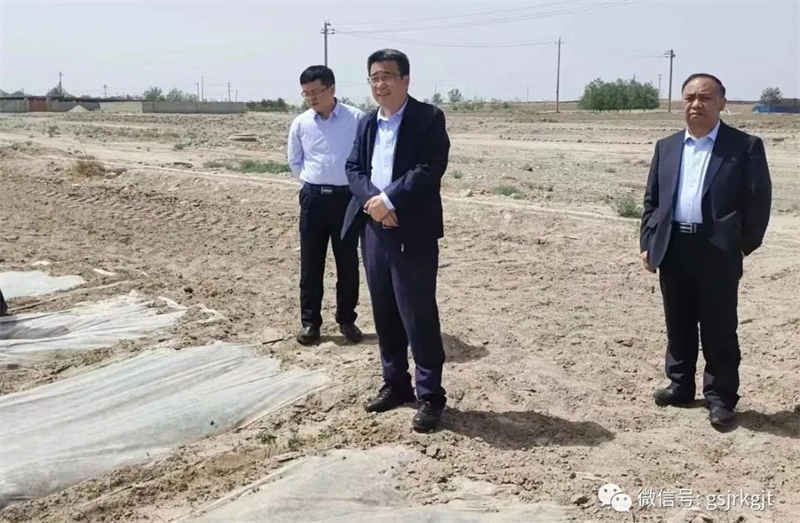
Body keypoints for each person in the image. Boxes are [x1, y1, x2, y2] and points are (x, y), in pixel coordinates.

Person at [640, 73, 772, 429]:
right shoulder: (667, 147)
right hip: (674, 247)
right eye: (689, 98)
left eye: (705, 98)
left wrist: (738, 246)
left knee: (719, 327)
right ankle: (680, 385)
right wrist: (649, 242)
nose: (696, 104)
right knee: (678, 323)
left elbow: (759, 202)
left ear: (721, 103)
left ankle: (721, 398)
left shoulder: (744, 146)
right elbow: (652, 201)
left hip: (717, 251)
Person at [342, 49, 450, 433]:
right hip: (374, 229)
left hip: (411, 229)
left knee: (417, 313)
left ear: (405, 79)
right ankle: (395, 383)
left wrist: (388, 200)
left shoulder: (428, 118)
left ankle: (430, 395)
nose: (380, 84)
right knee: (385, 311)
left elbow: (429, 168)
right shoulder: (368, 122)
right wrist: (374, 202)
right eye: (374, 77)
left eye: (387, 76)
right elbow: (353, 167)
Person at [287, 65, 365, 346]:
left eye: (316, 92)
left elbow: (365, 157)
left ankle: (347, 320)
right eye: (306, 93)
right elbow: (295, 161)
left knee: (347, 264)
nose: (311, 98)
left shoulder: (357, 119)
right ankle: (310, 323)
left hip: (347, 200)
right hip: (314, 199)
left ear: (332, 89)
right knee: (311, 264)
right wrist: (314, 183)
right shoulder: (301, 123)